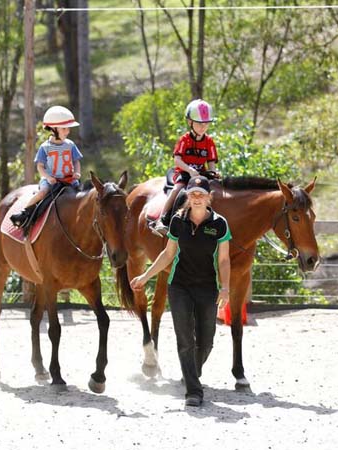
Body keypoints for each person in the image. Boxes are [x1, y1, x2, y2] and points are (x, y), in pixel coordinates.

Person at [130, 175, 231, 407]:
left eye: (201, 195)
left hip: (207, 287)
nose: (196, 198)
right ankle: (193, 391)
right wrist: (145, 276)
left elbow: (224, 260)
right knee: (184, 339)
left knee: (206, 341)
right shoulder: (177, 220)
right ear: (188, 197)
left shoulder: (219, 224)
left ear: (208, 198)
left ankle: (190, 373)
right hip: (180, 286)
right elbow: (167, 254)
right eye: (192, 194)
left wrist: (225, 287)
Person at [151, 99, 220, 237]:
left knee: (217, 190)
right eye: (200, 123)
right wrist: (189, 170)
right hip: (184, 173)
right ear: (190, 122)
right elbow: (177, 159)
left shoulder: (209, 142)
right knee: (177, 190)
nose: (203, 127)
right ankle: (161, 220)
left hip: (201, 175)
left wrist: (214, 172)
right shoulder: (184, 140)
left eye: (206, 123)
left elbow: (211, 162)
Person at [11, 106, 83, 227]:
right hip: (51, 181)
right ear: (54, 129)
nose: (68, 131)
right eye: (64, 128)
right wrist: (48, 177)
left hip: (69, 179)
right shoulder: (45, 147)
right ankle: (25, 212)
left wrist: (77, 172)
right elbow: (40, 166)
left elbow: (76, 161)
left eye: (68, 128)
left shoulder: (70, 145)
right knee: (42, 193)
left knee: (82, 195)